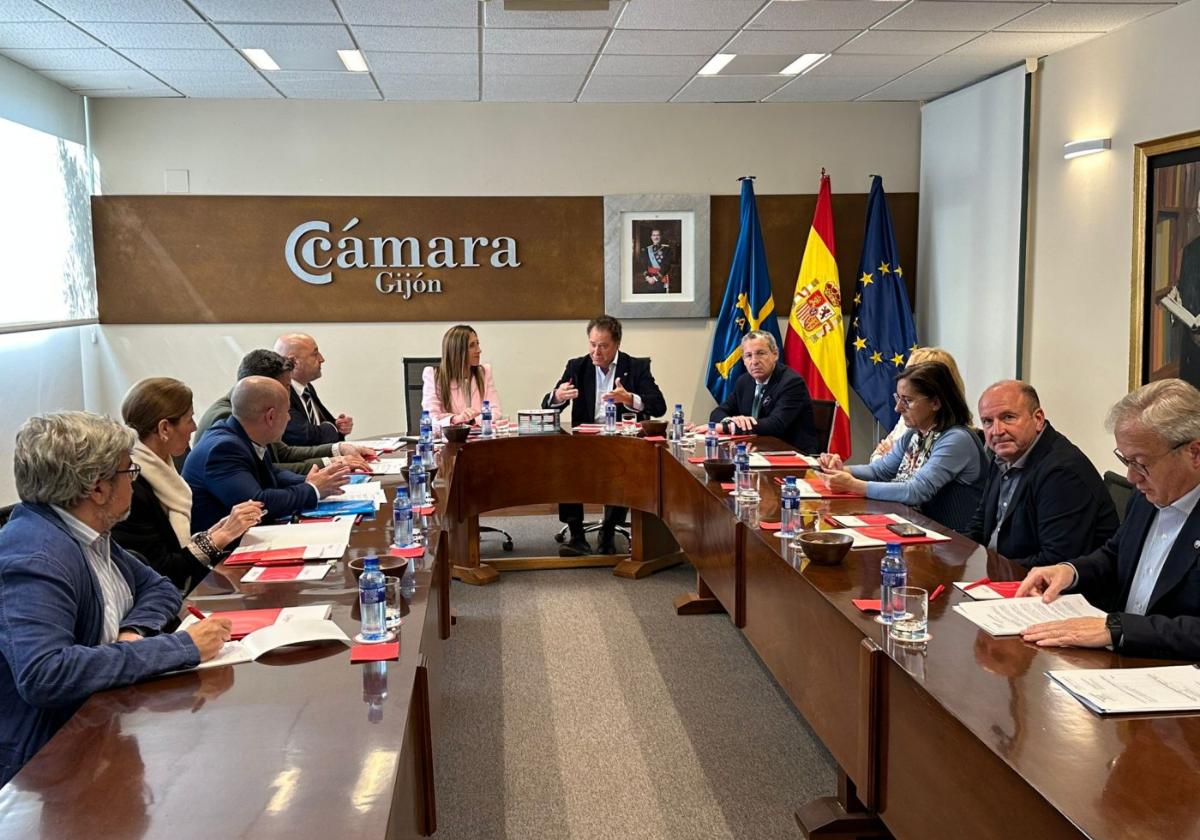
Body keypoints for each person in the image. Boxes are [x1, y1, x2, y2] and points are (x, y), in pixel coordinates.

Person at [0, 411, 233, 786]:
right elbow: (44, 675)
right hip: (49, 761)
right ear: (97, 488)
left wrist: (133, 631)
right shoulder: (36, 557)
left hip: (100, 721)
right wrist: (181, 648)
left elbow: (160, 588)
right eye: (130, 472)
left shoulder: (88, 531)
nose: (133, 483)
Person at [1018, 379, 1200, 660]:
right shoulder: (1146, 494)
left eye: (1140, 462)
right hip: (1117, 663)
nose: (1131, 477)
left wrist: (1118, 629)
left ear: (1194, 452)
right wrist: (1070, 571)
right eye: (1125, 461)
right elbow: (1116, 554)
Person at [113, 377, 265, 593]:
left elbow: (176, 545)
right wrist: (219, 538)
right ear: (164, 428)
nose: (194, 427)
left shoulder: (162, 465)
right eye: (189, 419)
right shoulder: (132, 485)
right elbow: (162, 568)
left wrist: (221, 530)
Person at [542, 314, 667, 555]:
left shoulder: (636, 367)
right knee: (564, 459)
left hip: (621, 441)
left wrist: (630, 399)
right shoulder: (577, 366)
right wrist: (557, 397)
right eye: (592, 344)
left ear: (617, 344)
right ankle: (576, 535)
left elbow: (658, 405)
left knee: (624, 462)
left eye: (603, 346)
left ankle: (608, 530)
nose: (596, 352)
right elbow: (548, 407)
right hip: (584, 442)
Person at [819, 361, 987, 532]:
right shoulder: (914, 434)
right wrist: (843, 471)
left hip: (953, 544)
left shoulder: (956, 439)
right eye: (898, 398)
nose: (898, 408)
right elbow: (880, 471)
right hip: (913, 529)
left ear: (935, 403)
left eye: (907, 401)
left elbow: (915, 491)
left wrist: (853, 485)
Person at [964, 380, 1118, 565]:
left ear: (1037, 419)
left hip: (1038, 585)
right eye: (987, 421)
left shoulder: (1062, 471)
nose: (996, 431)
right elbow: (980, 524)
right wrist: (954, 554)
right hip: (999, 572)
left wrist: (991, 569)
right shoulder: (1003, 454)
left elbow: (1057, 561)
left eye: (1008, 417)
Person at [182, 376, 350, 533]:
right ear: (270, 416)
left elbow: (271, 473)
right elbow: (258, 503)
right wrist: (312, 489)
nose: (289, 419)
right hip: (225, 554)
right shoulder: (224, 449)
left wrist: (308, 480)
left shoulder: (244, 434)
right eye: (287, 412)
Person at [195, 349, 373, 472]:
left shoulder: (255, 409)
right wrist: (333, 463)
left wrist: (339, 449)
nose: (288, 396)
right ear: (263, 386)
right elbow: (267, 470)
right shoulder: (229, 417)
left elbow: (283, 453)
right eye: (286, 387)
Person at [709, 330, 820, 454]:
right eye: (748, 355)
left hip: (792, 455)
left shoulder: (792, 382)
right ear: (743, 360)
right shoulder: (744, 381)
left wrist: (727, 427)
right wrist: (730, 420)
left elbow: (775, 424)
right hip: (757, 451)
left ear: (775, 354)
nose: (754, 361)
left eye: (761, 353)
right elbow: (717, 413)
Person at [870, 346, 968, 462]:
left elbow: (915, 478)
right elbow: (877, 461)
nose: (898, 408)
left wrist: (889, 457)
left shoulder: (955, 438)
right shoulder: (909, 424)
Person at [273, 332, 353, 446]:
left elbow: (327, 428)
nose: (322, 359)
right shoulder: (281, 392)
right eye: (315, 354)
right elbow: (305, 436)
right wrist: (333, 428)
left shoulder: (307, 388)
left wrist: (340, 426)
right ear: (294, 362)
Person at [422, 324, 502, 428]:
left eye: (477, 344)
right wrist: (456, 419)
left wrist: (472, 421)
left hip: (479, 438)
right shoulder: (433, 376)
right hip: (449, 440)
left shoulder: (484, 372)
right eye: (472, 345)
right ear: (457, 350)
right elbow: (431, 418)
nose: (479, 350)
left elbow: (496, 411)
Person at [636, 227, 674, 294]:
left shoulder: (667, 250)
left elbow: (666, 266)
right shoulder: (647, 250)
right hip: (649, 281)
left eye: (658, 235)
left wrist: (655, 278)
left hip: (661, 280)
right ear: (651, 237)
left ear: (661, 236)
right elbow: (644, 265)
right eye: (654, 235)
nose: (656, 237)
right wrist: (647, 277)